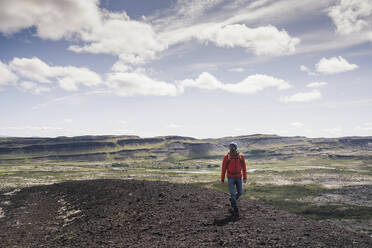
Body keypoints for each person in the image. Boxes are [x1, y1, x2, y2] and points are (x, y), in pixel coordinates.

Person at [221, 142, 247, 218]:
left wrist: (245, 177)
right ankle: (235, 210)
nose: (231, 148)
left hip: (239, 177)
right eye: (230, 147)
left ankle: (232, 199)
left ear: (236, 148)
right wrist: (222, 179)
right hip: (230, 178)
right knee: (232, 194)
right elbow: (223, 168)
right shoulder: (227, 157)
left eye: (233, 147)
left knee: (240, 192)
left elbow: (244, 167)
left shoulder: (241, 156)